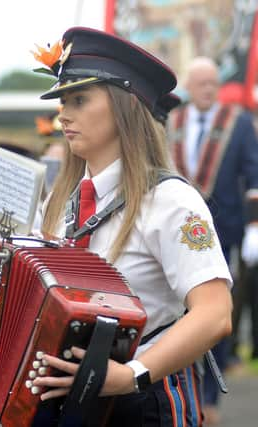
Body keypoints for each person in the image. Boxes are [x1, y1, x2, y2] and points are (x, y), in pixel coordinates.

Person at [31, 27, 232, 426]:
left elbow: (215, 314)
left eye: (79, 99)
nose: (63, 114)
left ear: (124, 106)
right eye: (63, 101)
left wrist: (130, 374)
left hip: (143, 397)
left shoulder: (170, 200)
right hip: (68, 397)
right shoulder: (60, 200)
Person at [166, 56, 258, 424]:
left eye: (212, 83)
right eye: (200, 82)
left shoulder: (238, 123)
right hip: (174, 232)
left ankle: (210, 398)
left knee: (216, 309)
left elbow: (254, 175)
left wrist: (254, 227)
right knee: (178, 308)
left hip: (225, 228)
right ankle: (179, 382)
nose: (207, 89)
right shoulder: (172, 121)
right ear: (188, 84)